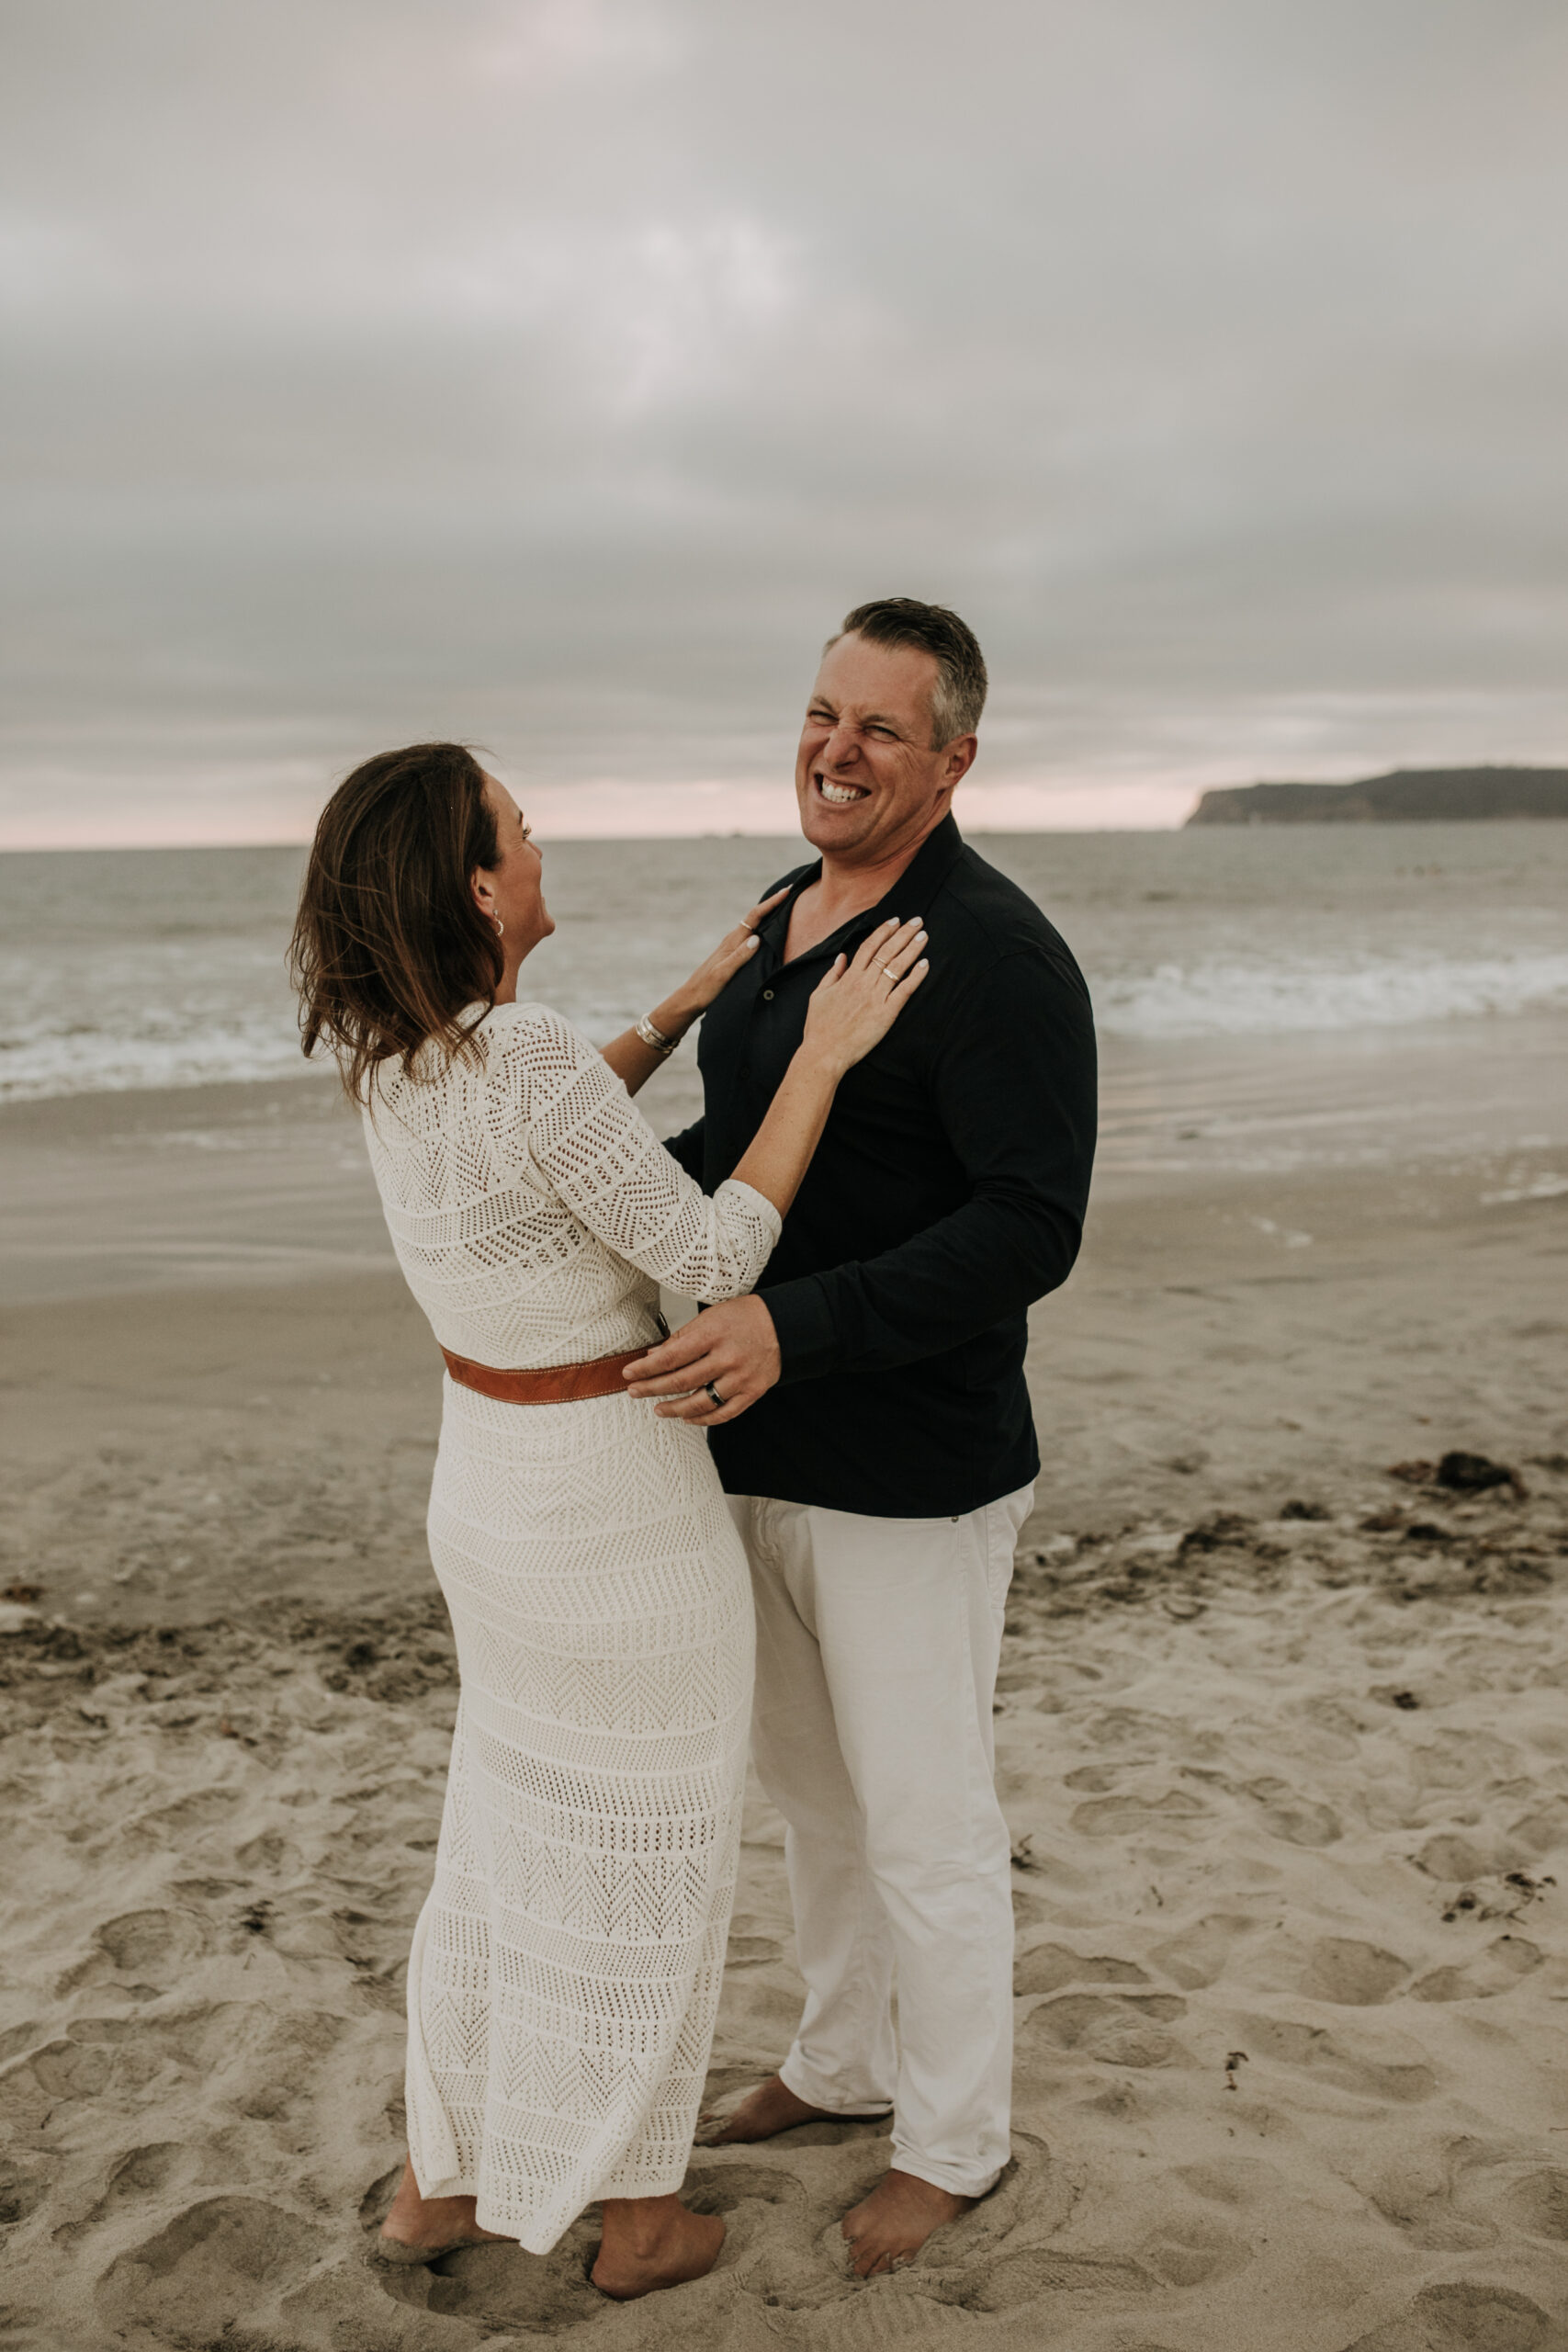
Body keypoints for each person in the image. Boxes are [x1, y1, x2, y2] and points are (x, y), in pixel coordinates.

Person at [288, 741, 928, 2298]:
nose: (542, 841)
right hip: (618, 1532)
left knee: (505, 1848)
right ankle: (641, 2223)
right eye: (522, 829)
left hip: (494, 1510)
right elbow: (708, 1255)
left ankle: (440, 2183)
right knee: (647, 1865)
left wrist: (678, 1011)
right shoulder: (532, 1065)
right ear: (478, 886)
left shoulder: (404, 1060)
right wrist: (820, 1058)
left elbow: (548, 1164)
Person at [622, 599, 1098, 2278]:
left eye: (881, 728)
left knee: (925, 1820)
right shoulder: (779, 923)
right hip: (748, 1449)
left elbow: (1032, 1224)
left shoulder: (998, 957)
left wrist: (791, 1324)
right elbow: (738, 1144)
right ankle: (840, 2064)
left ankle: (956, 2141)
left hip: (914, 1466)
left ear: (955, 759)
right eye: (824, 711)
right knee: (815, 1797)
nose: (835, 748)